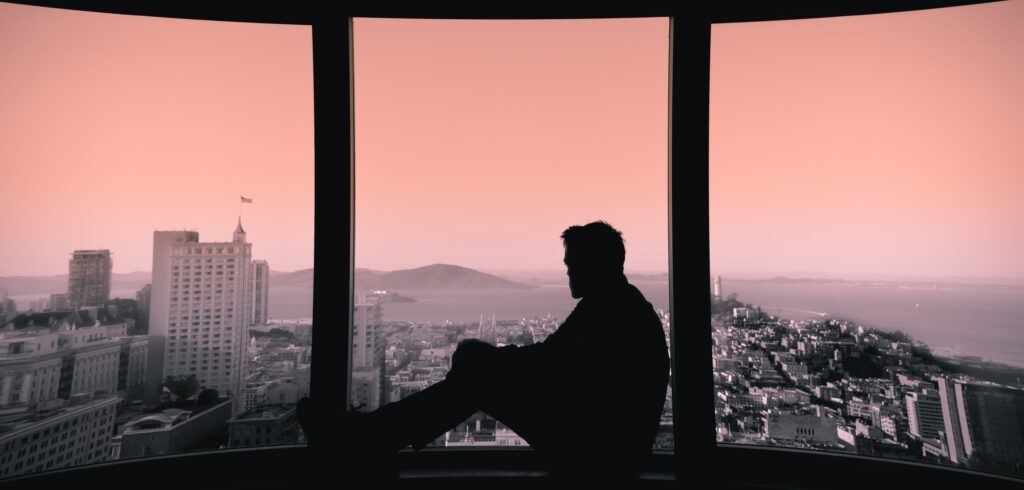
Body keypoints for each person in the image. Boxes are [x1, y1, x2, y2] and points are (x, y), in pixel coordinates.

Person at [298, 221, 669, 480]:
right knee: (475, 375)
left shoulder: (609, 308)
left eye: (574, 266)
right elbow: (552, 363)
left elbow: (546, 363)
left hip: (597, 453)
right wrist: (487, 359)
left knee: (474, 378)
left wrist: (481, 356)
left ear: (597, 264)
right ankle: (369, 439)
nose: (568, 274)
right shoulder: (618, 303)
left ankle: (365, 439)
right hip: (607, 446)